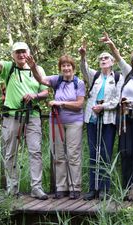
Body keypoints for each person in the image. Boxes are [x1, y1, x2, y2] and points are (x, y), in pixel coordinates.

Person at [0, 38, 48, 199]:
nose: (21, 54)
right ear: (13, 55)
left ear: (29, 53)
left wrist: (35, 95)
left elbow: (45, 91)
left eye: (24, 51)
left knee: (35, 151)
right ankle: (12, 187)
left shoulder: (38, 69)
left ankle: (36, 188)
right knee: (10, 153)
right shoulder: (8, 68)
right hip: (11, 116)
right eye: (18, 52)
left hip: (33, 116)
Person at [26, 55, 85, 200]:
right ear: (60, 68)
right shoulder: (56, 80)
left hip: (74, 122)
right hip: (56, 121)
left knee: (73, 154)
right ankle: (61, 187)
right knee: (58, 154)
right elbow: (41, 80)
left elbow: (79, 105)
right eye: (63, 66)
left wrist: (61, 104)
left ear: (73, 67)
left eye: (68, 65)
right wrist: (33, 66)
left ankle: (75, 187)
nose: (66, 68)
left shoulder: (79, 83)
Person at [100, 32, 133, 201]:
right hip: (123, 117)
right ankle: (125, 186)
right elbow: (117, 56)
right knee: (124, 151)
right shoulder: (128, 73)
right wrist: (110, 43)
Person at [79, 41, 124, 200]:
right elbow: (83, 69)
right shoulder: (95, 76)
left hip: (108, 119)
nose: (103, 60)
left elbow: (117, 99)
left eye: (106, 58)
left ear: (112, 62)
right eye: (101, 59)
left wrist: (103, 106)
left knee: (105, 153)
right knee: (93, 153)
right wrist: (83, 56)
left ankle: (105, 189)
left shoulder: (118, 77)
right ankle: (93, 189)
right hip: (92, 119)